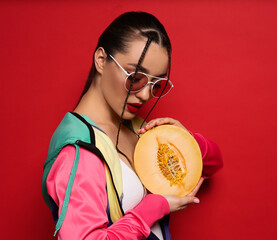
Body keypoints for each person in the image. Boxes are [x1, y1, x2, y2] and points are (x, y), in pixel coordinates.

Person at [42, 11, 223, 240]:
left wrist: (184, 139)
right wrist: (153, 208)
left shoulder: (136, 128)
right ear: (101, 60)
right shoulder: (79, 151)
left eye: (156, 84)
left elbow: (213, 162)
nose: (146, 94)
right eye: (136, 78)